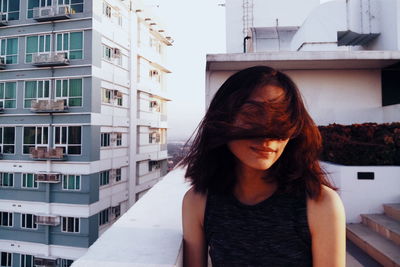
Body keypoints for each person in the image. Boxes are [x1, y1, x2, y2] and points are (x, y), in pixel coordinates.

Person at [180, 66, 346, 267]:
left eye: (281, 119)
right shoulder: (199, 202)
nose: (268, 136)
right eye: (252, 115)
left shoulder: (320, 204)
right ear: (223, 119)